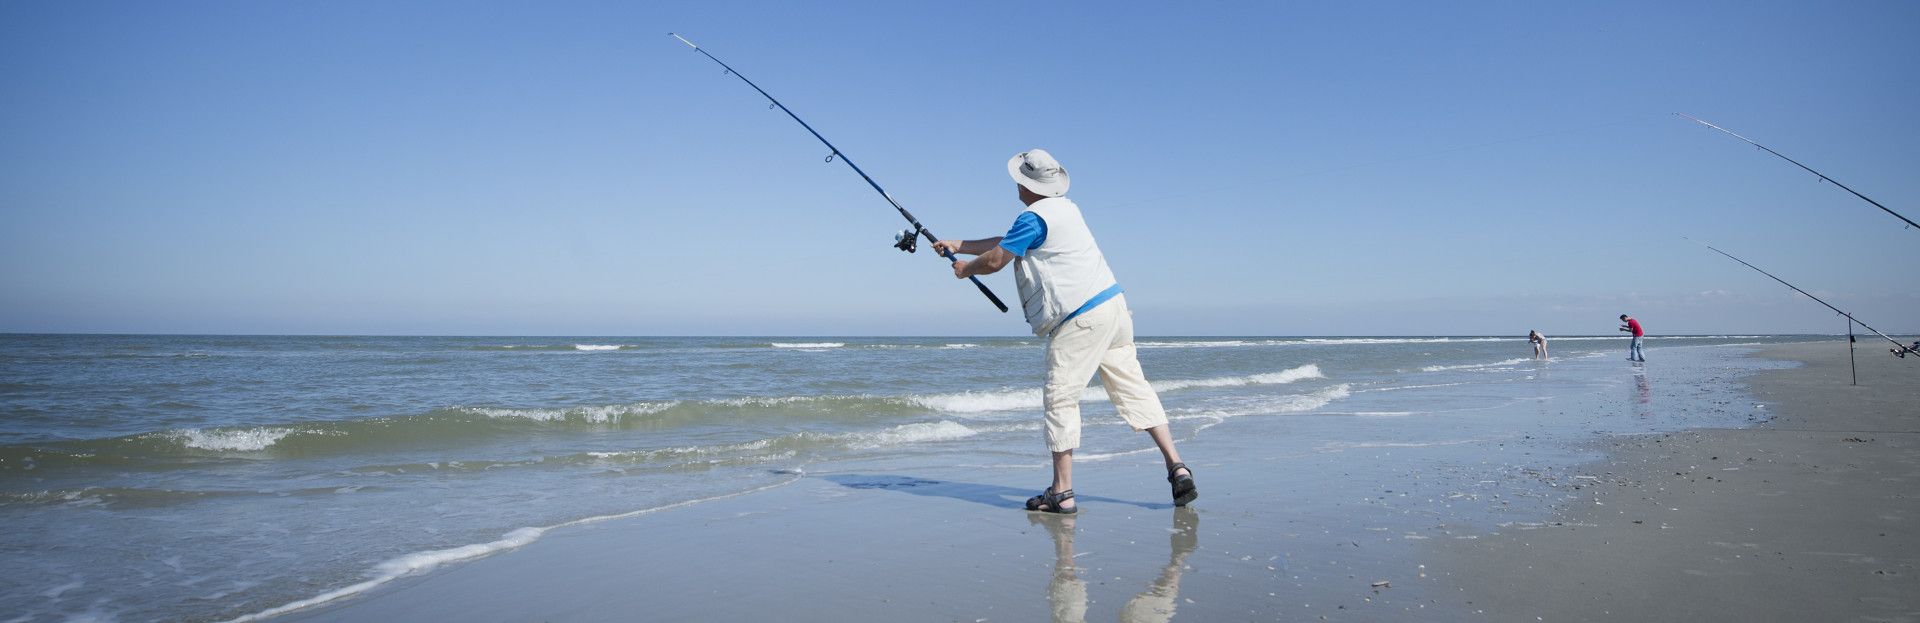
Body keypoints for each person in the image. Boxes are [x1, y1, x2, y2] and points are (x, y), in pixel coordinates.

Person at [933, 148, 1196, 514]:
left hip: (1082, 318)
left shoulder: (1033, 218)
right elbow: (1008, 241)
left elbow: (996, 259)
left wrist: (965, 269)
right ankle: (1177, 465)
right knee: (1134, 387)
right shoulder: (1065, 210)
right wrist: (959, 244)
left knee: (1060, 398)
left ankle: (1062, 491)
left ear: (1026, 184)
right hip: (1114, 309)